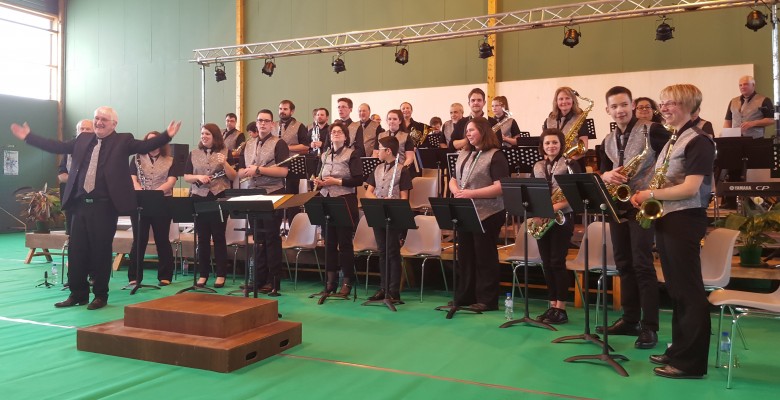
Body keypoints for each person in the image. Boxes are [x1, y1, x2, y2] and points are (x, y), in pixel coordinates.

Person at [10, 107, 181, 310]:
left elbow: (146, 145)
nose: (99, 122)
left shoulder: (123, 140)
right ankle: (78, 294)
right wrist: (29, 137)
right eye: (97, 118)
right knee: (77, 251)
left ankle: (100, 295)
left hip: (105, 207)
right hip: (79, 205)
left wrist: (166, 135)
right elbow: (57, 146)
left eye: (104, 119)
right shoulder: (83, 139)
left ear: (114, 124)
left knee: (101, 252)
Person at [630, 84, 715, 379]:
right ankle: (678, 349)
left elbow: (690, 188)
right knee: (676, 289)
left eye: (671, 103)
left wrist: (650, 194)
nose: (663, 108)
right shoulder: (674, 138)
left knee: (688, 291)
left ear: (689, 106)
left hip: (685, 219)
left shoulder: (700, 141)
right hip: (669, 218)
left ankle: (690, 363)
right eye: (662, 103)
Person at [598, 86, 670, 348]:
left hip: (642, 203)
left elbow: (671, 160)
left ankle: (649, 326)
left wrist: (656, 188)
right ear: (607, 110)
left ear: (632, 105)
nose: (620, 110)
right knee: (623, 263)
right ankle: (630, 320)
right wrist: (606, 175)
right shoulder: (607, 140)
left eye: (624, 105)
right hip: (618, 205)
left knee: (642, 264)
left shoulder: (654, 130)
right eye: (614, 106)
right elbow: (603, 171)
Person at [448, 116, 509, 311]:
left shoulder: (496, 155)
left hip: (488, 212)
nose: (468, 134)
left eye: (472, 130)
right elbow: (453, 178)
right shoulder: (464, 153)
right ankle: (465, 296)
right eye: (467, 131)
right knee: (465, 256)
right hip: (466, 211)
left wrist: (470, 193)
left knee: (485, 257)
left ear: (483, 131)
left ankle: (487, 300)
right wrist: (456, 191)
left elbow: (500, 187)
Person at [237, 109, 290, 296]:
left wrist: (259, 170)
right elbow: (241, 170)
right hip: (253, 193)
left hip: (273, 193)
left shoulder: (279, 143)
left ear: (272, 124)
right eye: (260, 120)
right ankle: (258, 279)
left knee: (271, 238)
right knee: (257, 238)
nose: (262, 124)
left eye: (266, 121)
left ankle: (273, 281)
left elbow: (283, 172)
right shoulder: (248, 144)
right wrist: (245, 172)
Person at [530, 129, 580, 324]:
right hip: (543, 218)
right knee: (546, 262)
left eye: (555, 142)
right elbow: (533, 192)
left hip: (562, 217)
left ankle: (561, 308)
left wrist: (551, 209)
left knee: (557, 262)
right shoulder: (538, 166)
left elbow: (574, 194)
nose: (551, 146)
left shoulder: (570, 164)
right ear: (542, 146)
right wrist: (537, 213)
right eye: (547, 143)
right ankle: (552, 305)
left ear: (561, 144)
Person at [312, 121, 363, 299]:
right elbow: (318, 176)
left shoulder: (352, 154)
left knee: (345, 243)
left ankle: (347, 281)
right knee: (329, 243)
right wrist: (318, 182)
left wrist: (337, 181)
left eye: (339, 132)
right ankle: (330, 282)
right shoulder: (324, 155)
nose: (335, 134)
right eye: (333, 131)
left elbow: (358, 180)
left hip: (344, 201)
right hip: (326, 200)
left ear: (346, 136)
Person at [183, 123, 236, 289]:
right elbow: (186, 176)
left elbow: (233, 176)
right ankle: (203, 274)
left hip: (219, 197)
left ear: (215, 136)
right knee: (202, 238)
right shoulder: (194, 153)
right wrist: (198, 177)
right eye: (202, 134)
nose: (204, 136)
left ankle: (221, 274)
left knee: (219, 237)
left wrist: (225, 163)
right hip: (199, 198)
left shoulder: (226, 152)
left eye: (207, 134)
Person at [364, 135, 413, 301]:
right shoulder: (377, 169)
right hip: (378, 213)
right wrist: (378, 201)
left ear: (388, 151)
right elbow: (368, 192)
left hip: (393, 215)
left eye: (380, 149)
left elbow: (404, 198)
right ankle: (383, 288)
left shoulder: (402, 170)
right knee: (382, 251)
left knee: (393, 252)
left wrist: (391, 202)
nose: (377, 152)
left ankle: (394, 290)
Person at [127, 131, 177, 287]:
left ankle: (165, 275)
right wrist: (141, 192)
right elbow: (133, 179)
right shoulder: (136, 158)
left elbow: (171, 181)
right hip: (140, 202)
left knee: (162, 239)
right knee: (139, 240)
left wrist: (155, 194)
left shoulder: (170, 160)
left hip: (162, 202)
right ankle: (134, 276)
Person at [58, 119, 94, 235]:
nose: (84, 131)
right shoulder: (68, 149)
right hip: (72, 198)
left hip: (92, 198)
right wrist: (76, 179)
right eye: (81, 129)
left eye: (88, 129)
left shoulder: (99, 148)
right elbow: (61, 174)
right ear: (77, 131)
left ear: (94, 132)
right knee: (72, 232)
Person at [542, 87, 590, 160]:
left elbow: (584, 147)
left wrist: (567, 161)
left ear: (573, 100)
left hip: (574, 162)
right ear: (556, 102)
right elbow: (544, 144)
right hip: (553, 162)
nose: (564, 101)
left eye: (567, 98)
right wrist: (549, 161)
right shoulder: (548, 120)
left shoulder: (580, 119)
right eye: (561, 99)